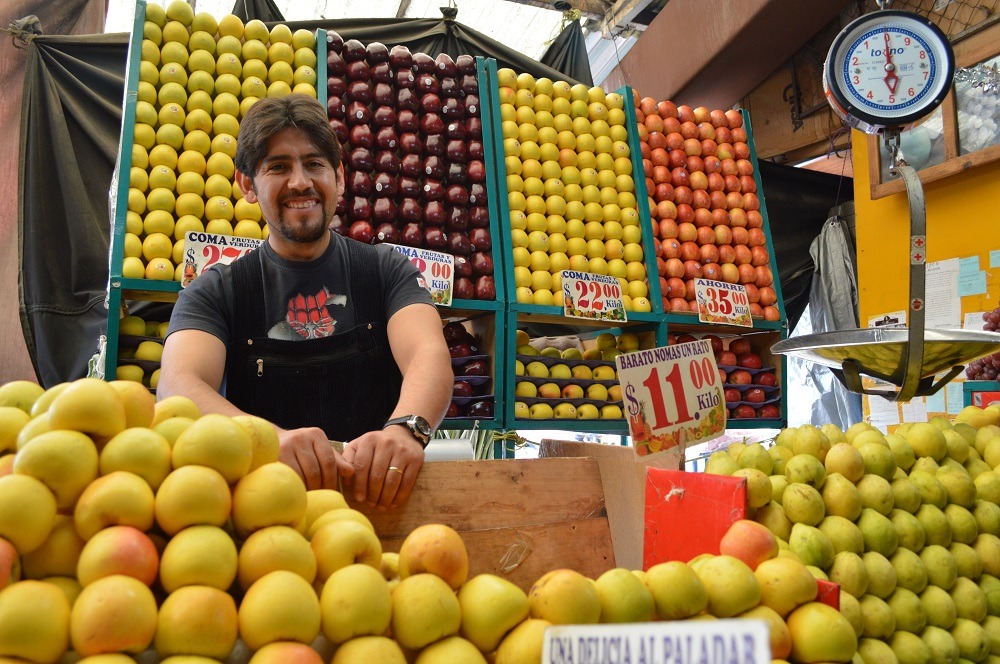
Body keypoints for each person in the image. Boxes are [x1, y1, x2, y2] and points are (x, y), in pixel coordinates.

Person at [158, 94, 453, 509]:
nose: (300, 182)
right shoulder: (216, 291)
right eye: (278, 166)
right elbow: (177, 387)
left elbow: (428, 351)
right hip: (266, 518)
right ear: (247, 185)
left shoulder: (386, 271)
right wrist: (266, 441)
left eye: (314, 164)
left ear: (340, 176)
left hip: (382, 507)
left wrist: (406, 430)